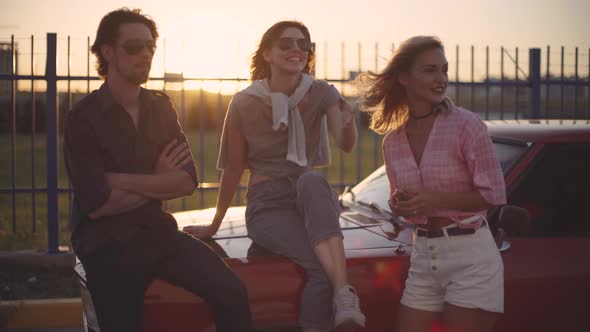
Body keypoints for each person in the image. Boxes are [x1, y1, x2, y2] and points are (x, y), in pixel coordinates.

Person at [63, 8, 252, 332]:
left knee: (233, 292)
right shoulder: (84, 118)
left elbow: (185, 181)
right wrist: (157, 180)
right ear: (107, 52)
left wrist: (121, 180)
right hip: (106, 245)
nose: (146, 54)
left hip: (157, 232)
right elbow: (97, 205)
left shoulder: (160, 107)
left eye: (151, 46)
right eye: (135, 46)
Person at [184, 21, 366, 331]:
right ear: (267, 53)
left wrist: (348, 121)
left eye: (303, 44)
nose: (296, 49)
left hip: (307, 197)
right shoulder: (244, 102)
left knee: (311, 180)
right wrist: (215, 223)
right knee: (320, 267)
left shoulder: (322, 92)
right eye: (286, 43)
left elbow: (346, 145)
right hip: (267, 203)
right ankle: (337, 302)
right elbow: (234, 168)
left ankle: (343, 298)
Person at [359, 36, 506, 332]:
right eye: (429, 71)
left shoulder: (466, 125)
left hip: (471, 259)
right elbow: (403, 206)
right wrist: (400, 204)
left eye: (444, 70)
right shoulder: (393, 142)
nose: (441, 79)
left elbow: (493, 195)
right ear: (403, 77)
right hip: (423, 256)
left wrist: (431, 199)